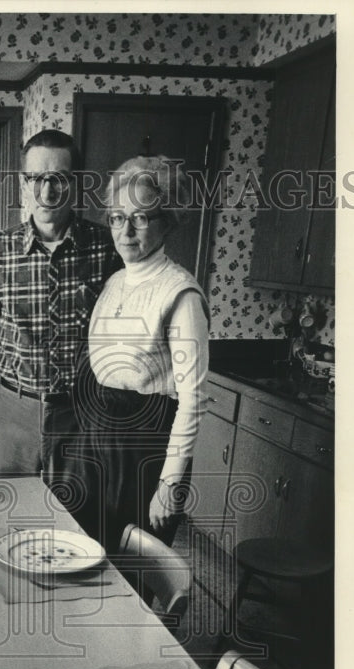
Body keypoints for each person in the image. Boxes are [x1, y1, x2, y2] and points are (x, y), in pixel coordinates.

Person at [0, 129, 119, 485]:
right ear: (24, 182)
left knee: (76, 514)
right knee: (11, 510)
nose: (47, 192)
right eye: (36, 178)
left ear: (76, 183)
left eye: (59, 178)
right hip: (13, 411)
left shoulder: (106, 247)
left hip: (83, 414)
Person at [72, 155, 209, 554]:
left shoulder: (181, 294)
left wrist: (169, 482)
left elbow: (193, 400)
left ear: (168, 221)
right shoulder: (115, 281)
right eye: (117, 217)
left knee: (131, 567)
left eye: (141, 217)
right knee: (88, 555)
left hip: (145, 451)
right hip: (99, 441)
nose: (126, 230)